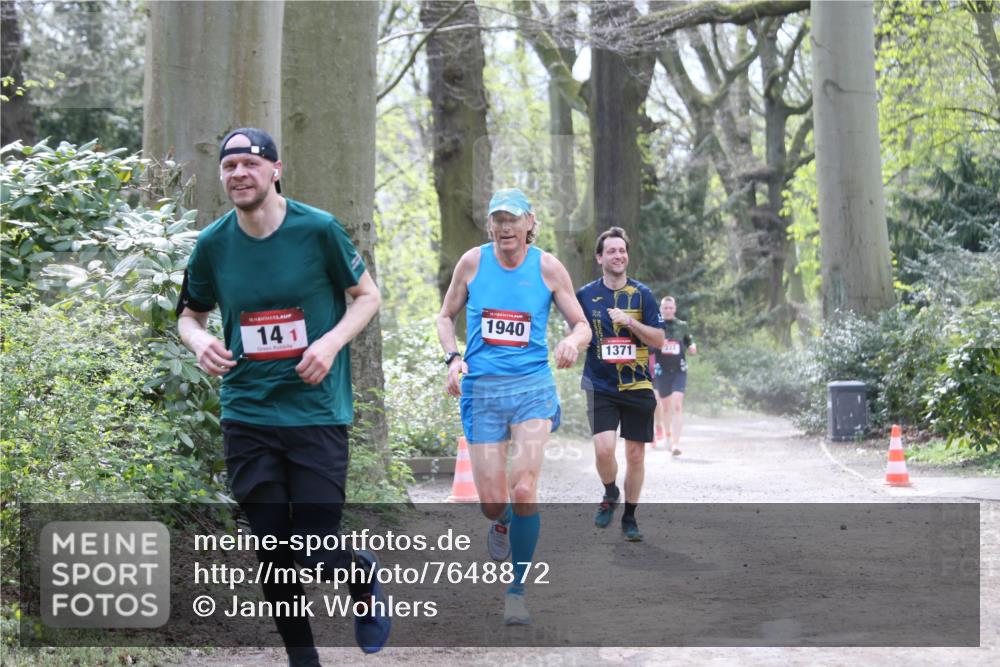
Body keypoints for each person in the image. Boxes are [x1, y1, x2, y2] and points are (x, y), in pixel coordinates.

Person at [177, 128, 390, 666]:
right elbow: (189, 315)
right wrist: (200, 341)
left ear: (275, 170)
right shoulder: (213, 244)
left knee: (314, 549)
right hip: (247, 411)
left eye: (250, 164)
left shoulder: (317, 230)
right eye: (229, 167)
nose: (239, 174)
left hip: (315, 411)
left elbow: (367, 296)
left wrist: (330, 342)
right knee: (272, 549)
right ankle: (303, 659)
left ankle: (359, 573)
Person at [437, 188, 591, 625]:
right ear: (490, 225)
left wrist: (572, 341)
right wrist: (453, 358)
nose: (505, 227)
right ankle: (502, 520)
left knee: (524, 489)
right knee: (492, 502)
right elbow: (445, 316)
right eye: (498, 220)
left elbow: (582, 324)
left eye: (513, 219)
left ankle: (517, 591)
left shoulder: (547, 267)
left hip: (531, 390)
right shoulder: (472, 263)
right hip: (482, 392)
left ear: (529, 223)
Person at [576, 227, 664, 542]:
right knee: (603, 450)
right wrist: (572, 344)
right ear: (599, 257)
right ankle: (610, 492)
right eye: (611, 251)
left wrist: (630, 322)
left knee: (636, 456)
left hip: (637, 384)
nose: (618, 255)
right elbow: (577, 330)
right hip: (600, 384)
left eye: (622, 250)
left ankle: (630, 517)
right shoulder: (584, 296)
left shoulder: (643, 294)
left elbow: (659, 339)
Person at [651, 296, 697, 455]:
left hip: (679, 370)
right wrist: (658, 344)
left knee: (677, 405)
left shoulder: (682, 326)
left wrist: (692, 347)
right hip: (661, 371)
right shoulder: (656, 326)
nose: (668, 310)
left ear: (675, 309)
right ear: (661, 309)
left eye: (670, 308)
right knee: (665, 408)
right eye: (665, 308)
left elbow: (690, 340)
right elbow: (648, 348)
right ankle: (668, 436)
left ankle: (676, 444)